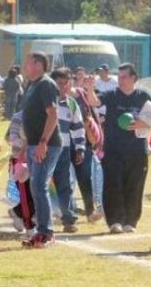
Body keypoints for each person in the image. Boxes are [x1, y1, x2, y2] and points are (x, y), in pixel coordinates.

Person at [84, 63, 151, 234]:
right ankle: (115, 221)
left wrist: (142, 123)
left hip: (137, 150)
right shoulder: (112, 94)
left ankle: (130, 221)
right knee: (113, 184)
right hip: (113, 149)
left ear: (133, 78)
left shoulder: (143, 96)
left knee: (134, 185)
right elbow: (94, 102)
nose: (120, 80)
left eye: (124, 77)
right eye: (119, 76)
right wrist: (90, 88)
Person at [20, 52, 61, 249]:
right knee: (35, 187)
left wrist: (43, 142)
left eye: (27, 62)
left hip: (46, 145)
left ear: (38, 65)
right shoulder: (31, 85)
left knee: (39, 186)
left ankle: (46, 233)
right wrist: (27, 145)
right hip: (33, 144)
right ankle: (41, 230)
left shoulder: (46, 84)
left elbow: (53, 114)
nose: (24, 65)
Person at [51, 68, 85, 233]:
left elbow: (78, 128)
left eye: (66, 83)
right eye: (60, 83)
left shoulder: (72, 104)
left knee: (65, 184)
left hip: (63, 151)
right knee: (39, 184)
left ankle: (68, 219)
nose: (63, 86)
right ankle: (31, 217)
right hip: (44, 149)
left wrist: (79, 148)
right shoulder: (46, 101)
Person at [6, 111, 35, 236]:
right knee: (26, 195)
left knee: (36, 194)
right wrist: (29, 146)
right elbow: (11, 138)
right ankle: (29, 227)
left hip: (39, 159)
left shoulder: (44, 115)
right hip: (21, 160)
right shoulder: (18, 117)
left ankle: (17, 212)